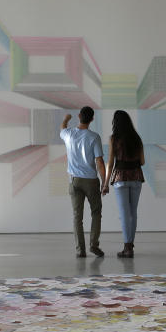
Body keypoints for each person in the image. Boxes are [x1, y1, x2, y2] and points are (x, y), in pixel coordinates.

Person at [60, 106, 106, 258]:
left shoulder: (69, 134)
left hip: (74, 181)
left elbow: (62, 128)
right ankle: (94, 244)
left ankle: (81, 250)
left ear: (79, 116)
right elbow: (99, 161)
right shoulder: (94, 137)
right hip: (91, 181)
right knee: (96, 213)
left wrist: (66, 119)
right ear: (92, 119)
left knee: (77, 217)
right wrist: (104, 181)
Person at [102, 110, 145, 258]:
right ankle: (130, 245)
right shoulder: (137, 138)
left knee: (124, 214)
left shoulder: (114, 139)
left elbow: (110, 163)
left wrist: (106, 183)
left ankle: (127, 247)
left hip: (120, 178)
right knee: (133, 213)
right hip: (136, 177)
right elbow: (143, 162)